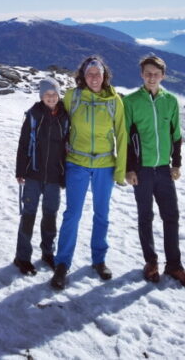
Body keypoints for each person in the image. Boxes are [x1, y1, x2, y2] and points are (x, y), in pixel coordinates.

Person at [51, 55, 127, 290]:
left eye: (98, 74)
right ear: (82, 77)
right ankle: (62, 263)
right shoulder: (73, 98)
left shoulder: (115, 101)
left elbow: (122, 136)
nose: (94, 78)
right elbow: (57, 125)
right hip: (77, 163)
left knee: (101, 214)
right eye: (90, 74)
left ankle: (98, 259)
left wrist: (120, 171)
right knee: (72, 214)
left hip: (105, 165)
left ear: (105, 76)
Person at [124, 54, 185, 288]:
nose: (151, 77)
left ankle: (174, 265)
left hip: (164, 169)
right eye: (147, 73)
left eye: (156, 74)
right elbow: (125, 137)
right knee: (145, 217)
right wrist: (129, 169)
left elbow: (176, 135)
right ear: (141, 75)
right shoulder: (132, 101)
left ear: (163, 76)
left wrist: (176, 163)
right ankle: (151, 262)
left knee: (171, 216)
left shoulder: (170, 100)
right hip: (142, 170)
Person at [13, 77, 70, 275]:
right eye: (47, 95)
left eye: (54, 94)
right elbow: (23, 144)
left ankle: (48, 252)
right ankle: (22, 257)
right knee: (28, 215)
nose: (51, 98)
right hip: (33, 174)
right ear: (41, 96)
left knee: (50, 216)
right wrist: (20, 171)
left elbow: (67, 148)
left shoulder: (64, 116)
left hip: (54, 176)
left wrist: (65, 175)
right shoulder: (33, 115)